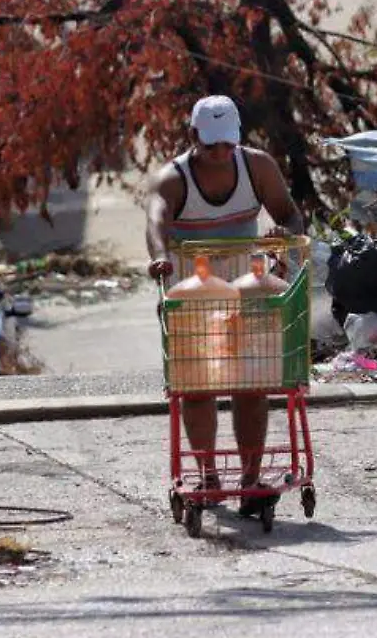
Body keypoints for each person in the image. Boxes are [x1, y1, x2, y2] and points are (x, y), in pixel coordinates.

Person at [146, 95, 306, 518]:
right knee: (197, 388)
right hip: (193, 293)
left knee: (250, 386)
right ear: (193, 135)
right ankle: (208, 474)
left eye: (226, 144)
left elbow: (291, 216)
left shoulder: (257, 168)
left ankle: (250, 481)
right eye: (210, 144)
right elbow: (156, 220)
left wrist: (282, 235)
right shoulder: (173, 178)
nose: (219, 153)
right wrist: (159, 256)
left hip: (246, 289)